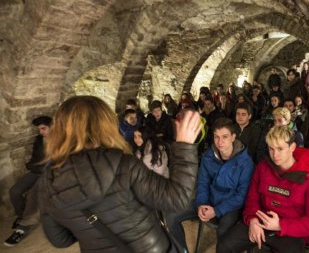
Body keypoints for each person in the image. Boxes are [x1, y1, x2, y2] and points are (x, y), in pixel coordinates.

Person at [38, 95, 201, 253]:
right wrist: (184, 146)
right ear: (105, 124)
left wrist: (87, 229)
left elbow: (59, 240)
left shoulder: (48, 181)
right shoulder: (124, 164)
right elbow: (176, 199)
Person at [217, 126, 309, 253]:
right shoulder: (263, 166)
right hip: (261, 221)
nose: (275, 155)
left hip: (291, 231)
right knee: (224, 245)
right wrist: (253, 220)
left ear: (292, 147)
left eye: (280, 149)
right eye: (271, 149)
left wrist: (280, 225)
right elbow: (252, 198)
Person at [166, 117, 254, 252]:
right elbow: (202, 183)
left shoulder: (245, 162)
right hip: (209, 200)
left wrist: (216, 210)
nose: (220, 142)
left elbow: (241, 196)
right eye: (216, 137)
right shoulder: (208, 156)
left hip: (230, 205)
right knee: (172, 216)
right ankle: (182, 250)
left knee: (224, 231)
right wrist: (201, 203)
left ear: (233, 137)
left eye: (225, 137)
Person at [4, 116, 52, 247]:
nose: (41, 132)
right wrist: (32, 166)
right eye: (39, 129)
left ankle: (22, 228)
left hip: (51, 174)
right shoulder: (39, 139)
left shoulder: (63, 140)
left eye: (43, 128)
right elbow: (35, 159)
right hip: (37, 171)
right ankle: (21, 216)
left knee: (33, 196)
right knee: (14, 191)